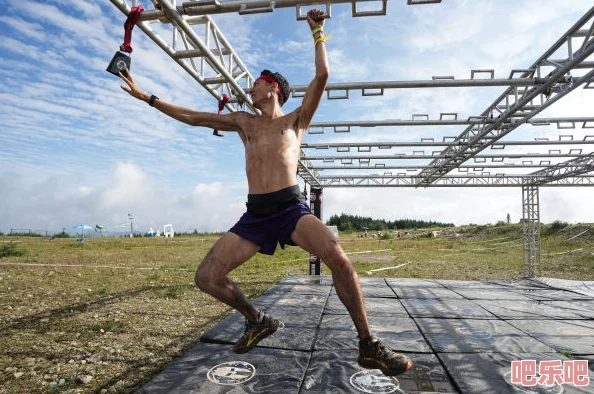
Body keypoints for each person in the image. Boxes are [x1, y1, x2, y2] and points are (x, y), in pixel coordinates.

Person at [118, 9, 412, 377]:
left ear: (272, 88)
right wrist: (147, 97)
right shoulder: (244, 122)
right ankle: (256, 319)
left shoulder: (296, 120)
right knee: (206, 278)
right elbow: (194, 117)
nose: (249, 90)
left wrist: (318, 33)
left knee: (340, 260)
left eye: (256, 84)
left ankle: (369, 344)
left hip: (291, 209)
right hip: (255, 216)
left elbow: (322, 76)